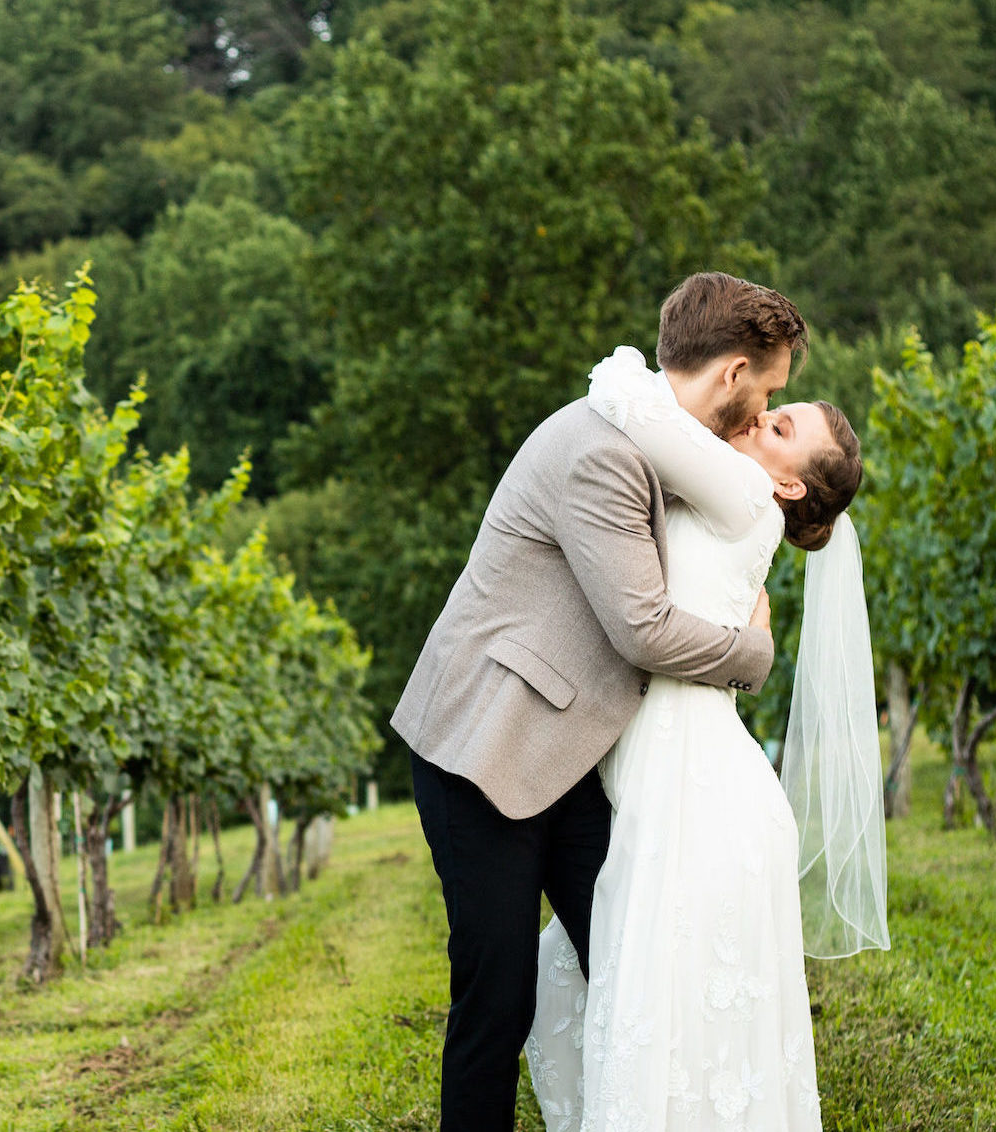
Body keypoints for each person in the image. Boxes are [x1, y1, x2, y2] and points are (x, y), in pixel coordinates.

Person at [391, 272, 808, 1130]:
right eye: (766, 391)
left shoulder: (655, 436)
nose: (761, 411)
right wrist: (751, 656)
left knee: (630, 960)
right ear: (730, 374)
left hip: (572, 753)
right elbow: (643, 631)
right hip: (486, 745)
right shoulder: (603, 451)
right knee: (495, 993)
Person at [523, 345, 885, 1131]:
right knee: (645, 999)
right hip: (688, 775)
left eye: (781, 423)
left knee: (659, 1003)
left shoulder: (743, 493)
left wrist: (670, 358)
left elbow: (620, 385)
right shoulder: (728, 484)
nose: (760, 413)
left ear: (787, 483)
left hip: (695, 790)